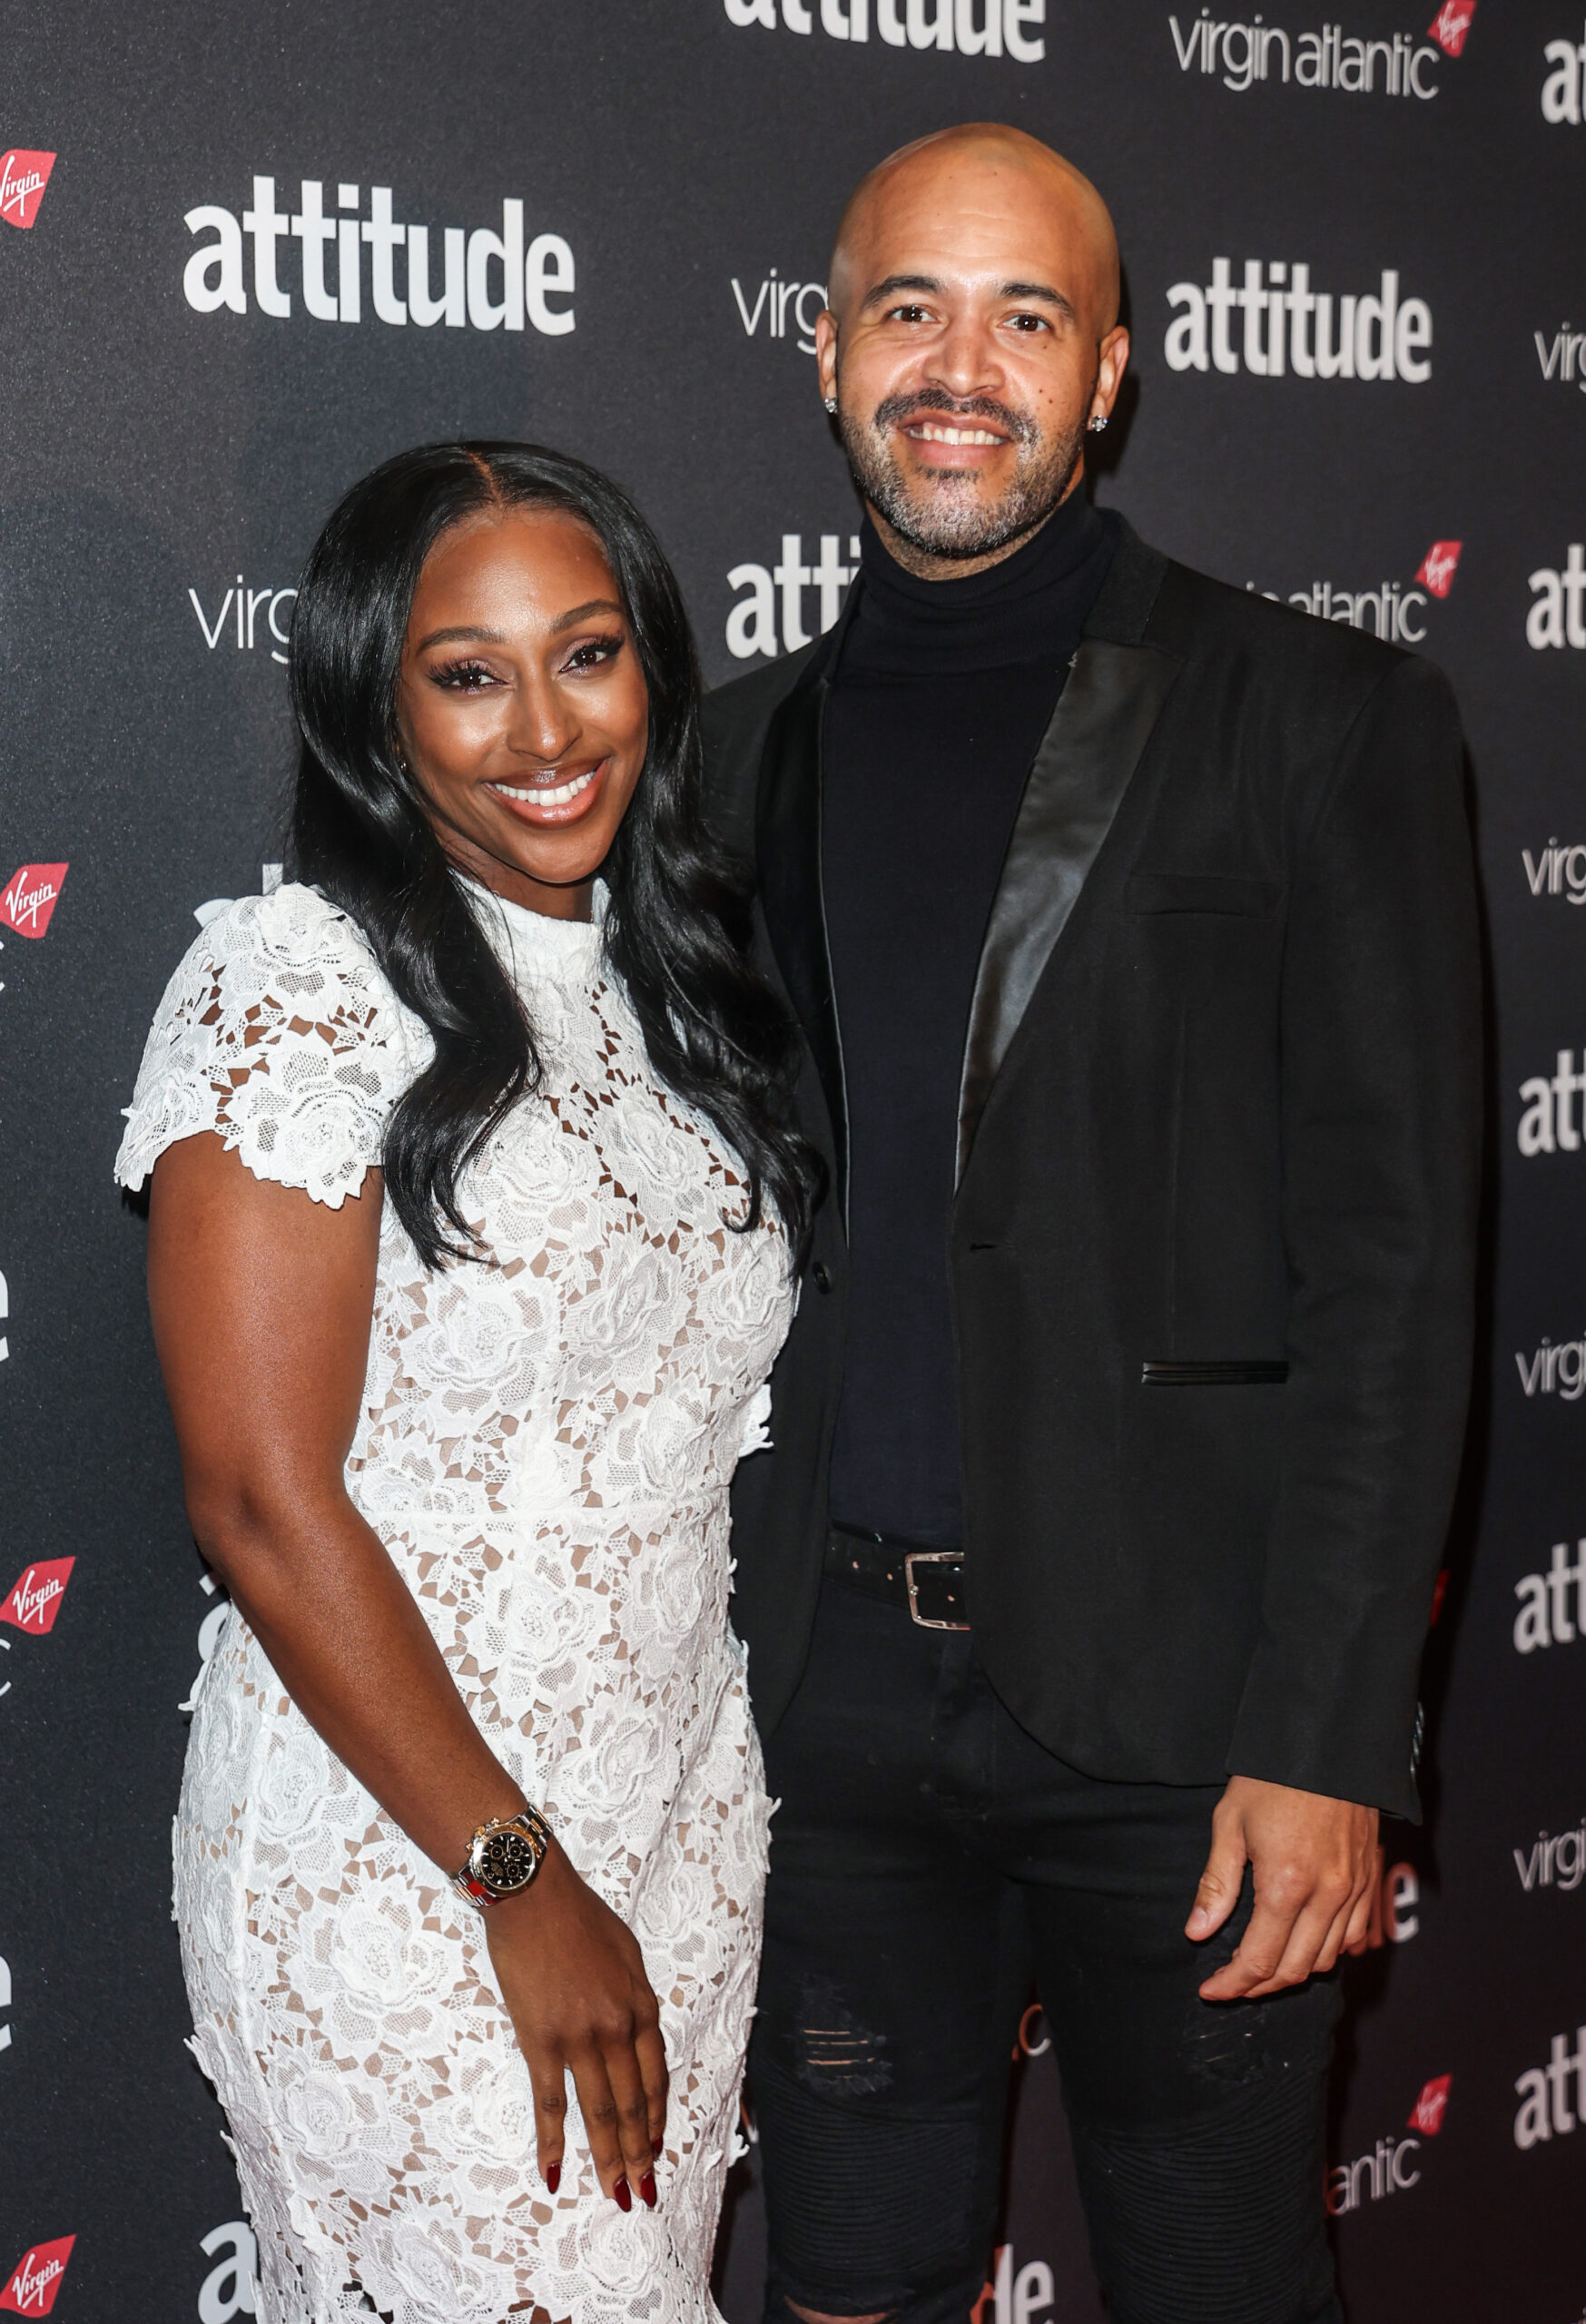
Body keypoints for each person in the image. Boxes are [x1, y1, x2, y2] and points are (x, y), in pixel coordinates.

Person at [701, 126, 1482, 2324]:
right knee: (850, 2272)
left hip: (1188, 1714)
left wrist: (1336, 1728)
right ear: (825, 353)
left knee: (1216, 2273)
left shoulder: (1322, 720)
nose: (963, 367)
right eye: (909, 310)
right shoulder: (723, 758)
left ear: (1112, 371)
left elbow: (1399, 1270)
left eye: (1025, 317)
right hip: (825, 1707)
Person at [114, 441, 820, 2324]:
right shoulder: (300, 985)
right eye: (468, 671)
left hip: (677, 1827)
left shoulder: (685, 990)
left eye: (585, 653)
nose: (542, 728)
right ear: (373, 699)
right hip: (416, 1859)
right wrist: (518, 1878)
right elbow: (260, 1494)